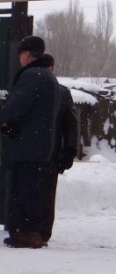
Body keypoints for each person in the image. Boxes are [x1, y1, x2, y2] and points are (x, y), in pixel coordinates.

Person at [0, 37, 59, 249]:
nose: (19, 58)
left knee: (26, 188)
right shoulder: (47, 76)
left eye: (21, 53)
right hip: (38, 142)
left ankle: (29, 232)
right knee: (31, 187)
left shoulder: (32, 75)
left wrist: (0, 116)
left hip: (27, 143)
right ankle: (29, 231)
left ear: (27, 54)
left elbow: (20, 103)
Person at [40, 53, 78, 244]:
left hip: (47, 151)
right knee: (46, 194)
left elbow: (70, 124)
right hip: (51, 150)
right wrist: (69, 150)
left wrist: (69, 150)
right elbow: (71, 124)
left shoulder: (60, 93)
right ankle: (41, 232)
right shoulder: (61, 93)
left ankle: (36, 231)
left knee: (43, 193)